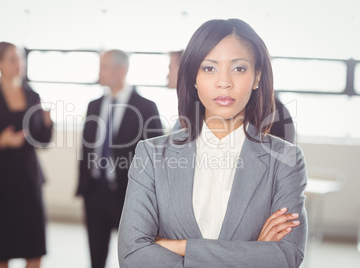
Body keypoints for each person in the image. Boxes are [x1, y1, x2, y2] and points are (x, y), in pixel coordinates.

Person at [118, 19, 308, 267]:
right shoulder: (151, 154)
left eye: (239, 68)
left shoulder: (285, 160)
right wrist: (252, 253)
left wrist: (182, 247)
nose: (224, 82)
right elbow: (133, 256)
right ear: (193, 77)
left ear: (257, 77)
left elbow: (286, 256)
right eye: (209, 68)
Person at [77, 49, 163, 268]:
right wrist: (83, 186)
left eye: (104, 67)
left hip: (128, 195)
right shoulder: (94, 105)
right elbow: (86, 149)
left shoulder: (146, 107)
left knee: (132, 256)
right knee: (95, 257)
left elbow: (156, 158)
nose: (99, 72)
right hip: (94, 192)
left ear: (120, 70)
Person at [0, 42, 52, 268]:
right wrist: (0, 142)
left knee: (35, 248)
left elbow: (43, 140)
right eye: (12, 59)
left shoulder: (33, 96)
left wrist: (48, 121)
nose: (19, 64)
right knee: (2, 251)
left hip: (29, 182)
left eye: (20, 59)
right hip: (1, 185)